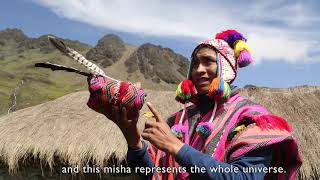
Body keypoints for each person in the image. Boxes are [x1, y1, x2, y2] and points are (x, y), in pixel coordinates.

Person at [87, 30, 302, 180]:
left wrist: (176, 147)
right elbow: (151, 175)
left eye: (208, 61)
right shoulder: (178, 121)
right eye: (195, 63)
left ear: (225, 68)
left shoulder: (252, 119)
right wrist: (131, 137)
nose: (198, 69)